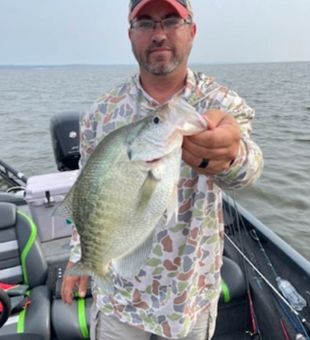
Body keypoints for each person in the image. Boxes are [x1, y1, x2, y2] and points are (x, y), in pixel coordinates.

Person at [61, 0, 263, 339]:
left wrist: (231, 157)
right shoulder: (101, 113)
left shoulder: (221, 103)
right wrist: (78, 257)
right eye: (145, 23)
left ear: (192, 31)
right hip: (120, 301)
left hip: (189, 299)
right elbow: (89, 194)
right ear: (130, 35)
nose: (159, 34)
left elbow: (250, 172)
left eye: (171, 20)